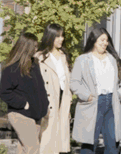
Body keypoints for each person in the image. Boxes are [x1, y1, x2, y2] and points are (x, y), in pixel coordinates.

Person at [71, 26, 121, 154]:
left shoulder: (112, 59)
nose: (105, 43)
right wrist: (86, 96)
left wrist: (119, 94)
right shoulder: (82, 60)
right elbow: (74, 82)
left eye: (107, 40)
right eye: (102, 40)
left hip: (111, 103)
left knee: (112, 142)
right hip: (93, 103)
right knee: (90, 142)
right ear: (94, 40)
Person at [0, 34, 51, 154]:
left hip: (36, 115)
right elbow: (4, 92)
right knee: (32, 148)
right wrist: (23, 104)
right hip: (21, 114)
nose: (36, 49)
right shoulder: (12, 69)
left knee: (23, 149)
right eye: (34, 46)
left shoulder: (35, 65)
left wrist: (45, 106)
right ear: (26, 47)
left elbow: (40, 88)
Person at [38, 24, 74, 154]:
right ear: (50, 37)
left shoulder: (64, 56)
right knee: (47, 138)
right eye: (57, 36)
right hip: (48, 99)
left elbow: (67, 80)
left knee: (60, 139)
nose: (61, 39)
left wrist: (69, 100)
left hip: (63, 99)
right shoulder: (40, 57)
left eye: (62, 36)